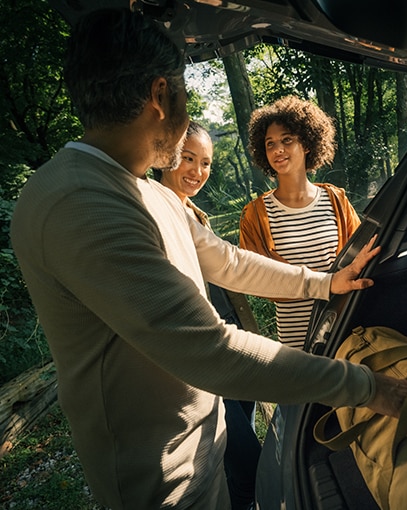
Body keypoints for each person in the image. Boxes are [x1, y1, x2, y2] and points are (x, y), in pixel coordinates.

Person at [9, 8, 407, 510]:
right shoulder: (79, 202)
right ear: (161, 96)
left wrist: (324, 283)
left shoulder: (147, 193)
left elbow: (228, 262)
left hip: (203, 451)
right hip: (159, 482)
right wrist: (369, 387)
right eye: (185, 95)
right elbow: (210, 350)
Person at [153, 121, 261, 510]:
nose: (197, 171)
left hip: (232, 332)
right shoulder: (150, 213)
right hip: (204, 354)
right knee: (250, 461)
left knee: (241, 431)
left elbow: (229, 269)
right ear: (165, 156)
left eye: (206, 163)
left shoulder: (195, 213)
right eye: (188, 159)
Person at [239, 95, 361, 349]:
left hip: (343, 329)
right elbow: (254, 278)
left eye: (286, 140)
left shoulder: (336, 200)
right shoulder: (255, 214)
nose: (277, 150)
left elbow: (359, 260)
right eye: (270, 143)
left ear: (307, 144)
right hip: (295, 340)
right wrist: (321, 285)